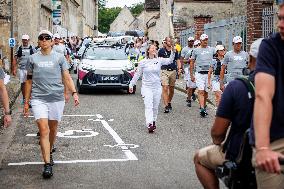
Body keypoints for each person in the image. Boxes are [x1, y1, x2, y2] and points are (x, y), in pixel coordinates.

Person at [193, 38, 262, 189]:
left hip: (242, 154)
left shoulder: (238, 87)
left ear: (249, 59)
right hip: (276, 151)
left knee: (199, 158)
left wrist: (218, 142)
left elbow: (218, 133)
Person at [24, 30, 79, 179]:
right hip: (38, 98)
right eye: (41, 38)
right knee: (43, 130)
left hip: (56, 98)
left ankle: (50, 148)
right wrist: (26, 102)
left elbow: (66, 77)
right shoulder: (32, 58)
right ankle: (47, 164)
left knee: (53, 129)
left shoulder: (60, 58)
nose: (44, 40)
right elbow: (28, 81)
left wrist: (73, 93)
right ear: (38, 41)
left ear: (52, 41)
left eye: (47, 38)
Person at [251, 3, 284, 188]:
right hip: (276, 138)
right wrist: (263, 148)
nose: (280, 24)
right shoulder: (270, 46)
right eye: (280, 18)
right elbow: (263, 95)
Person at [129, 44, 175, 133]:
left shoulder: (159, 60)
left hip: (157, 87)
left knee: (155, 106)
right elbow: (138, 74)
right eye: (152, 48)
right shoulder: (143, 62)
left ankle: (153, 121)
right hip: (147, 87)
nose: (154, 49)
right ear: (148, 50)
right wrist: (131, 84)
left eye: (155, 48)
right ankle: (149, 123)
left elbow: (170, 60)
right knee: (148, 105)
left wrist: (173, 51)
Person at [190, 34, 215, 117]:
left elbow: (219, 55)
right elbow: (192, 62)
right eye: (204, 40)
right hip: (199, 73)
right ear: (200, 41)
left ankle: (204, 106)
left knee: (206, 92)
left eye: (206, 39)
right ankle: (202, 108)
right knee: (200, 91)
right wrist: (191, 74)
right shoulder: (196, 50)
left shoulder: (212, 49)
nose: (205, 41)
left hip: (208, 74)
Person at [158, 37, 181, 113]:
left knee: (171, 89)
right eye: (169, 41)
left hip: (173, 71)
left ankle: (169, 101)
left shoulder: (174, 50)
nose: (170, 42)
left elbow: (177, 60)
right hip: (164, 71)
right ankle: (166, 106)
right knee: (165, 87)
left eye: (171, 41)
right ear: (166, 42)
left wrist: (179, 68)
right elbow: (158, 62)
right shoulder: (161, 51)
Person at [12, 34, 36, 104]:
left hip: (30, 70)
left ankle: (29, 98)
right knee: (23, 83)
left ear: (28, 40)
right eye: (24, 40)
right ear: (22, 40)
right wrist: (14, 69)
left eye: (26, 39)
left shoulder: (32, 48)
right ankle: (24, 98)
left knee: (29, 83)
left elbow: (36, 57)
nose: (25, 41)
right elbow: (15, 58)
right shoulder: (19, 48)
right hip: (22, 69)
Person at [181, 37, 196, 107]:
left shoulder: (195, 49)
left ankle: (191, 93)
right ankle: (189, 96)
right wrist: (182, 68)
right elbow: (182, 60)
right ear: (188, 42)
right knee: (189, 83)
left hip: (194, 68)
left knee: (194, 85)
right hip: (187, 67)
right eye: (190, 41)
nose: (191, 42)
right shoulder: (184, 49)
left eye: (192, 41)